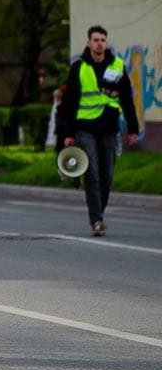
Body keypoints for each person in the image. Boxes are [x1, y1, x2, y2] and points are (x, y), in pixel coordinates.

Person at [59, 25, 139, 237]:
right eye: (95, 40)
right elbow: (71, 101)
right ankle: (96, 220)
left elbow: (127, 99)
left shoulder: (117, 65)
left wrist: (133, 128)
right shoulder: (79, 67)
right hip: (85, 127)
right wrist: (68, 133)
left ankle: (98, 214)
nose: (99, 43)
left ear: (106, 42)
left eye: (102, 40)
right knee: (92, 173)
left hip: (110, 128)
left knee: (107, 175)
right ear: (88, 43)